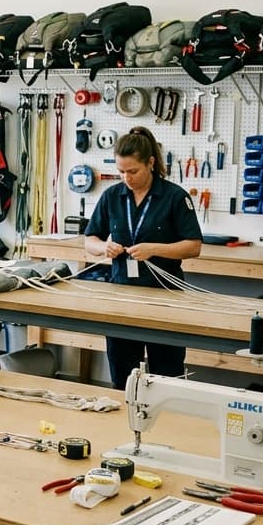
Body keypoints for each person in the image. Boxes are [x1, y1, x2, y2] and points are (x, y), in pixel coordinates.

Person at [83, 125, 203, 389]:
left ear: (150, 163)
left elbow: (194, 246)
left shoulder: (174, 196)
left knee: (166, 375)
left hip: (165, 297)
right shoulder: (112, 196)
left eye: (133, 171)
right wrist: (105, 247)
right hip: (122, 296)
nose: (127, 178)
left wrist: (155, 248)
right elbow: (89, 241)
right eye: (121, 171)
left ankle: (167, 427)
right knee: (123, 376)